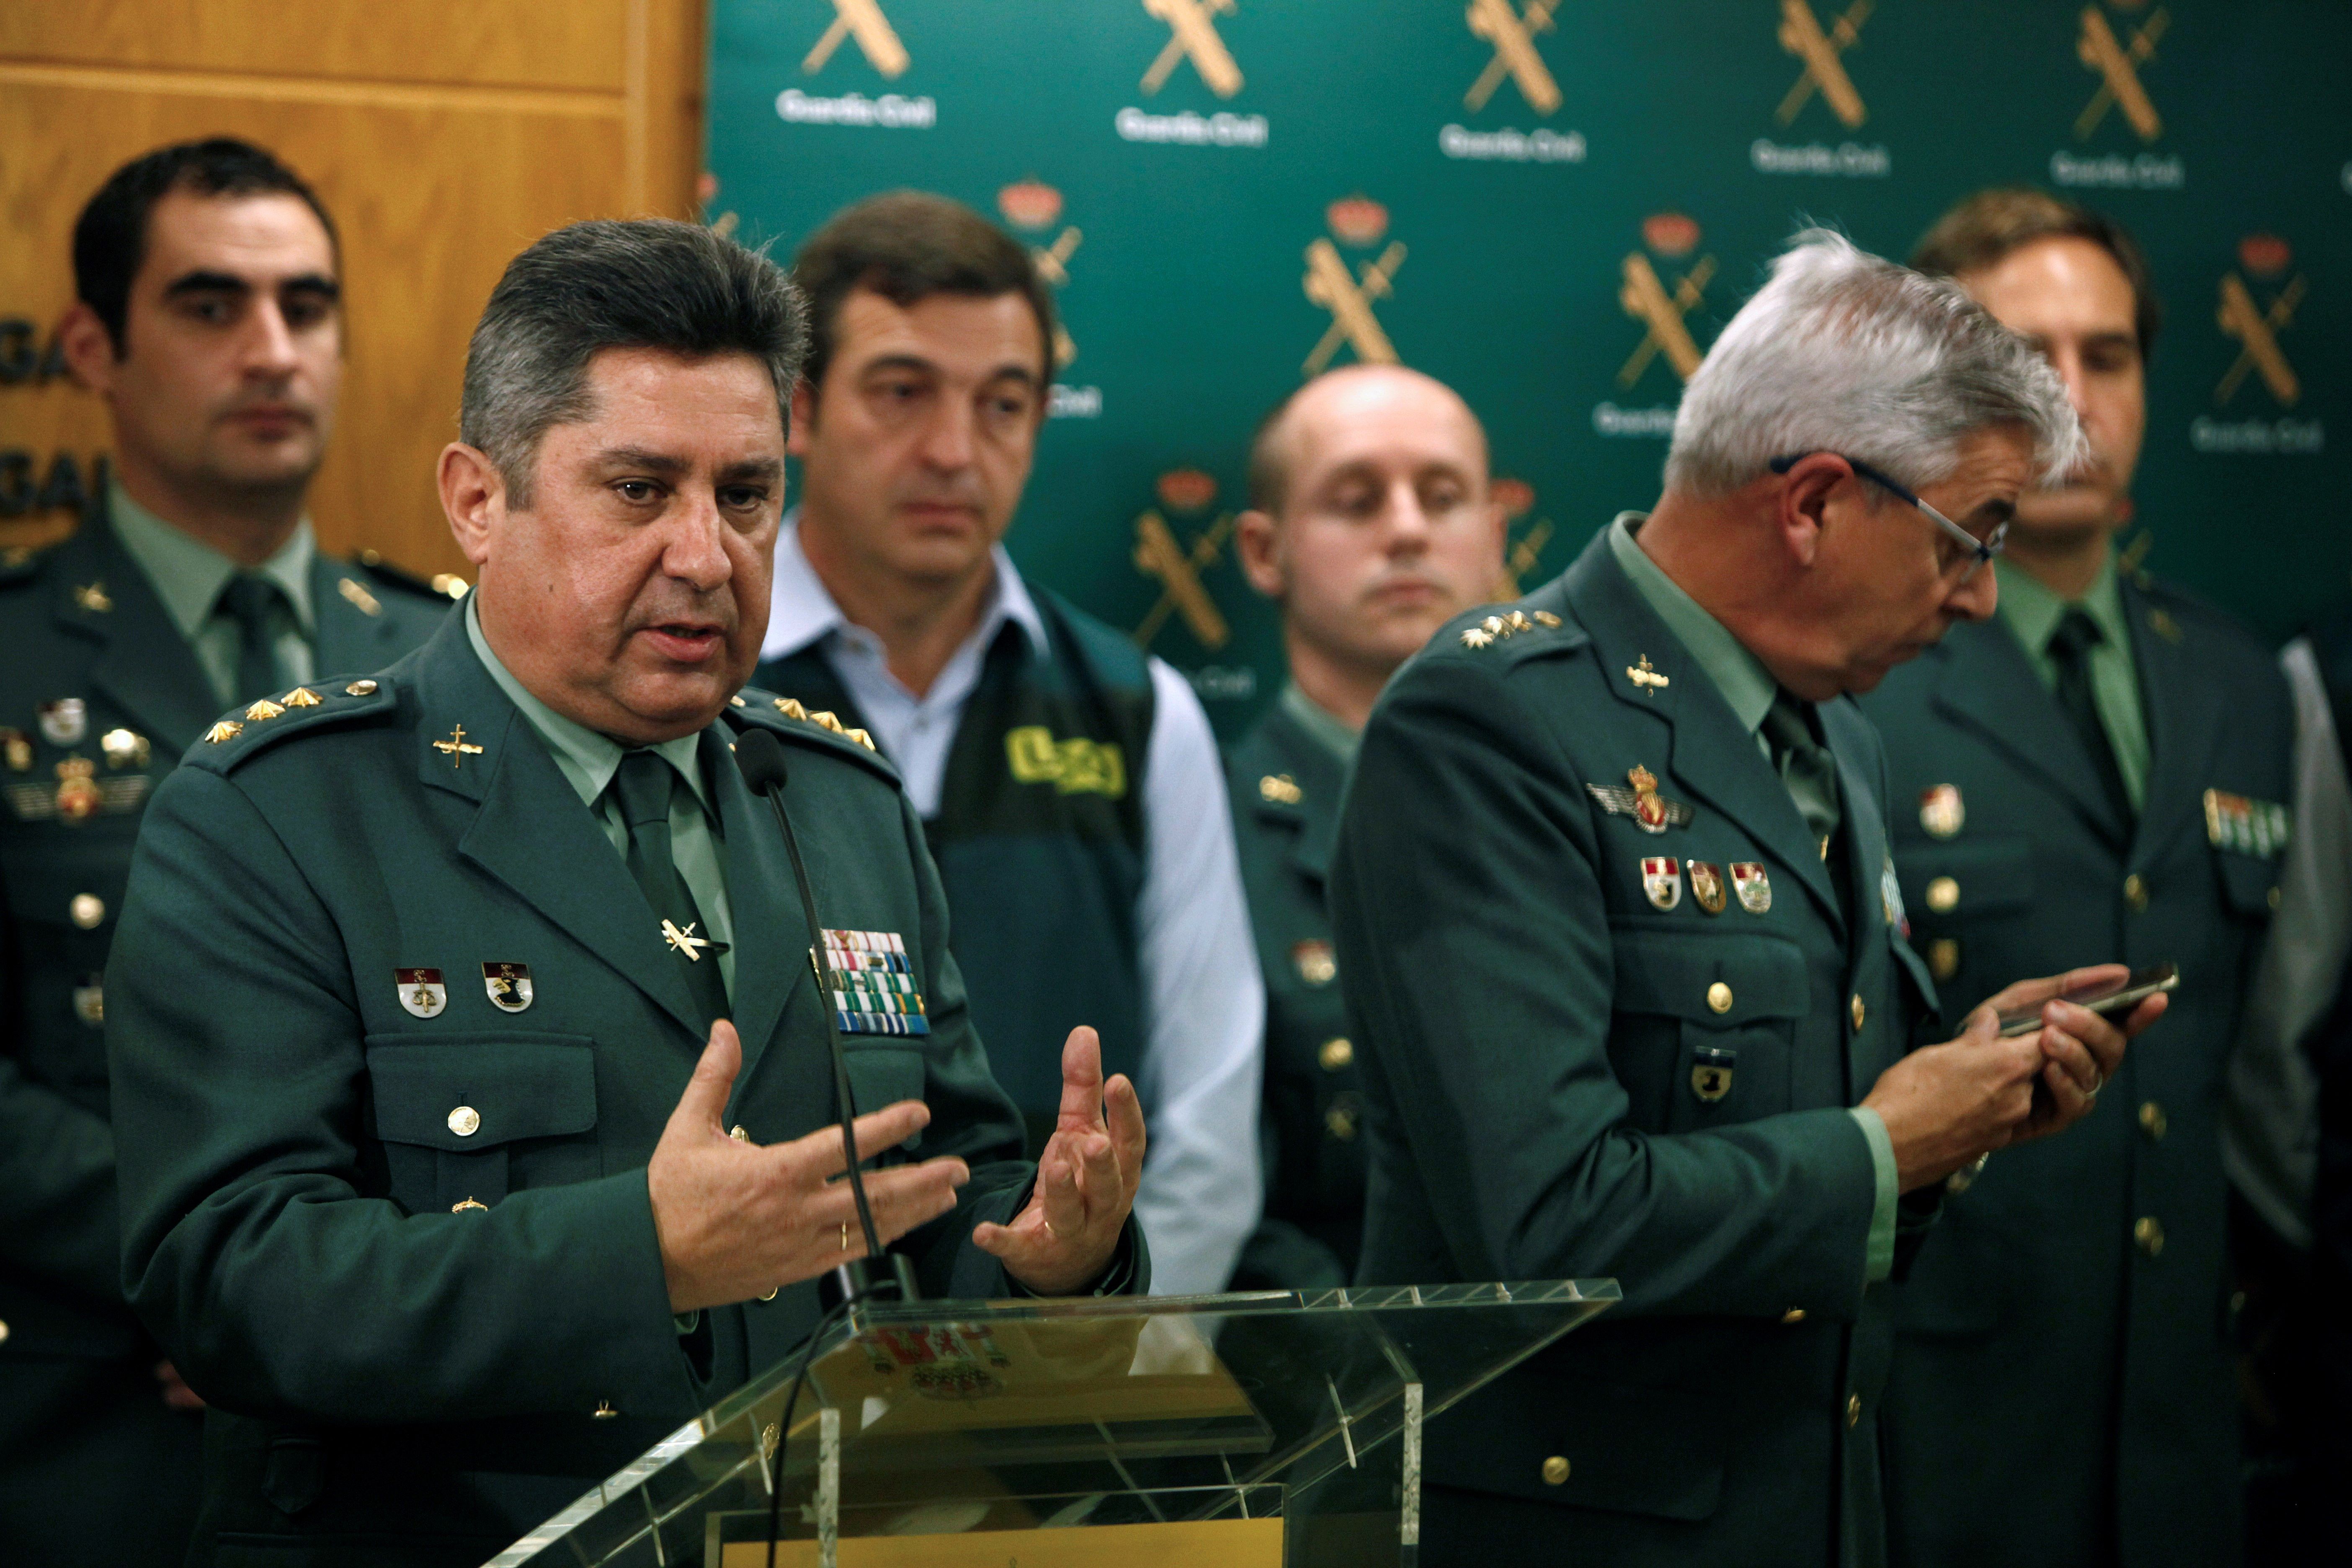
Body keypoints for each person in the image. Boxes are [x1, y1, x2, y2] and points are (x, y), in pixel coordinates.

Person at [105, 218, 1147, 1568]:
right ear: (479, 501)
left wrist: (1056, 1256)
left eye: (748, 495)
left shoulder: (837, 800)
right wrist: (638, 1254)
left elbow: (936, 1194)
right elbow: (227, 1282)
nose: (708, 556)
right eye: (642, 491)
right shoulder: (281, 811)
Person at [1331, 230, 2169, 1568]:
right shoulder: (1492, 722)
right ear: (1815, 504)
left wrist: (1963, 1100)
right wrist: (1889, 1146)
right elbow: (1548, 1224)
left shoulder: (1837, 732)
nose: (1979, 599)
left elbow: (1809, 1151)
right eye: (1969, 541)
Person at [0, 137, 448, 1565]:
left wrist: (348, 1296)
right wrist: (242, 1275)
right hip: (95, 1429)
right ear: (94, 349)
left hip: (423, 1434)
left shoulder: (455, 658)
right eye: (211, 306)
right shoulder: (9, 657)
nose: (271, 351)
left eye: (305, 307)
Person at [1859, 190, 2295, 1568]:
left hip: (2181, 1438)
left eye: (2106, 356)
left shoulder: (2236, 682)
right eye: (2023, 359)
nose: (2072, 397)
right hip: (1936, 1442)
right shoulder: (1861, 683)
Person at [751, 192, 1260, 1297]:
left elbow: (1208, 1125)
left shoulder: (1137, 710)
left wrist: (1090, 1366)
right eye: (902, 392)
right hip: (756, 1360)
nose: (954, 451)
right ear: (799, 409)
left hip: (1061, 1359)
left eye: (1004, 405)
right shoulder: (696, 680)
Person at [1222, 365, 1506, 1290]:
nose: (1408, 530)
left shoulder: (1586, 802)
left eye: (1443, 497)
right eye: (1356, 501)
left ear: (1496, 537)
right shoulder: (1208, 830)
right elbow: (1207, 1193)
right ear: (1265, 552)